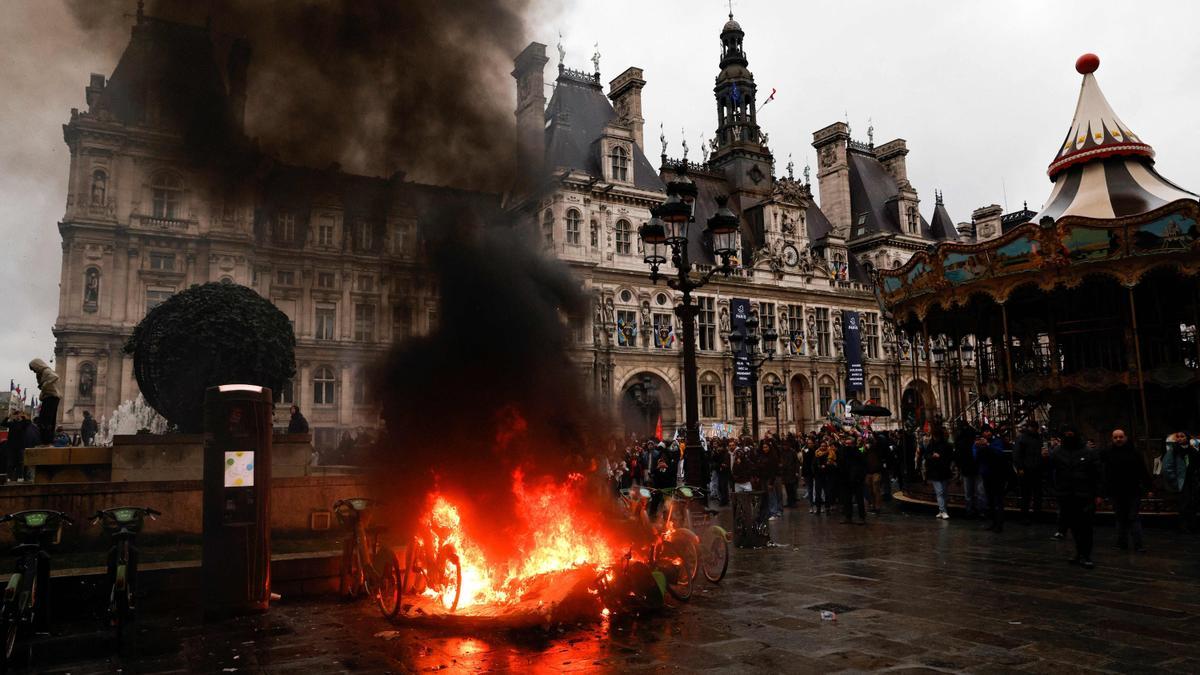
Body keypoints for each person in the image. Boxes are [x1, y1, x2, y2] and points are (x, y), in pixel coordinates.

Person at [1052, 428, 1103, 568]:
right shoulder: (1057, 452)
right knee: (1074, 527)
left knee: (1086, 526)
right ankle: (1079, 552)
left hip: (1084, 494)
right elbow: (1053, 471)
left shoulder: (1088, 452)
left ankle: (1086, 554)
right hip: (1067, 494)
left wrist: (1098, 494)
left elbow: (1097, 474)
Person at [1103, 428, 1150, 553]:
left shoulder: (1134, 453)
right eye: (1115, 437)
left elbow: (1142, 470)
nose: (1118, 439)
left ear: (1125, 437)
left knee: (1132, 517)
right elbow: (1105, 473)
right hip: (1116, 491)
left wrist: (1149, 486)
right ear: (1112, 439)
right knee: (1120, 518)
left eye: (1120, 437)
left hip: (1132, 491)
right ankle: (1122, 543)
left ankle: (1138, 545)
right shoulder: (1108, 453)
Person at [979, 428, 1013, 533]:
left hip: (997, 474)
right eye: (985, 431)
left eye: (988, 431)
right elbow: (977, 455)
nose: (987, 433)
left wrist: (988, 446)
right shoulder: (980, 443)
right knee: (990, 500)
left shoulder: (997, 441)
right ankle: (993, 522)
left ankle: (999, 523)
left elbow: (999, 453)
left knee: (998, 499)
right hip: (986, 474)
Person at [1013, 420, 1045, 524]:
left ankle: (1036, 515)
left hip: (1036, 469)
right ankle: (1026, 516)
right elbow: (1017, 455)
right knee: (1027, 494)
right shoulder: (1023, 438)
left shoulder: (1037, 437)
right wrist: (1021, 469)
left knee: (1036, 494)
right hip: (1027, 470)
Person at [954, 421, 985, 518]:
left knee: (972, 491)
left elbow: (958, 455)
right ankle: (978, 510)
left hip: (970, 467)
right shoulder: (971, 437)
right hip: (971, 467)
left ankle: (972, 509)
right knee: (977, 491)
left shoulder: (961, 439)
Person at [29, 358, 61, 446]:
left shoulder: (46, 371)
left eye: (34, 369)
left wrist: (44, 384)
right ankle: (47, 439)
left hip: (51, 397)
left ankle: (46, 439)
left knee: (45, 419)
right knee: (47, 419)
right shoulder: (41, 373)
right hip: (50, 397)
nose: (34, 371)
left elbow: (55, 376)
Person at [925, 423, 953, 519]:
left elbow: (950, 457)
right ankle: (943, 510)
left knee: (944, 492)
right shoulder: (931, 445)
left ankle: (942, 510)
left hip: (943, 470)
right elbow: (926, 456)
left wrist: (940, 457)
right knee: (940, 492)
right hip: (935, 471)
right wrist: (932, 457)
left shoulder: (946, 445)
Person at [837, 434, 867, 525]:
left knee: (859, 500)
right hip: (846, 480)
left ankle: (862, 517)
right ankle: (848, 517)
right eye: (846, 444)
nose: (847, 445)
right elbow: (840, 465)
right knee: (847, 500)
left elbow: (863, 466)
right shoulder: (842, 453)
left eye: (849, 444)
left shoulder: (858, 453)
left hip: (857, 480)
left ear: (853, 444)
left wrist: (860, 477)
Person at [864, 436, 885, 514]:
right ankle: (873, 505)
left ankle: (877, 506)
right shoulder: (865, 450)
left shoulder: (877, 449)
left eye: (868, 442)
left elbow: (879, 444)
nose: (867, 444)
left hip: (876, 472)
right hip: (868, 473)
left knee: (876, 490)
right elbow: (860, 452)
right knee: (870, 491)